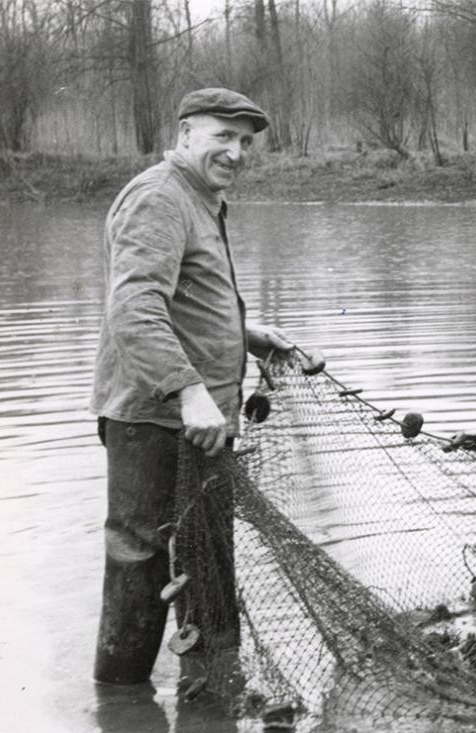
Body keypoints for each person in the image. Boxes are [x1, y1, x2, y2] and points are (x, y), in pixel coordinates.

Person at [91, 88, 319, 685]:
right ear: (186, 133)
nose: (236, 152)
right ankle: (121, 698)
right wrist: (189, 392)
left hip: (202, 420)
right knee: (142, 558)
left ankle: (212, 692)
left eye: (245, 141)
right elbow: (135, 309)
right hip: (156, 416)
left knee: (205, 557)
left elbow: (183, 301)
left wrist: (246, 334)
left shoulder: (199, 197)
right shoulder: (159, 197)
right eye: (222, 136)